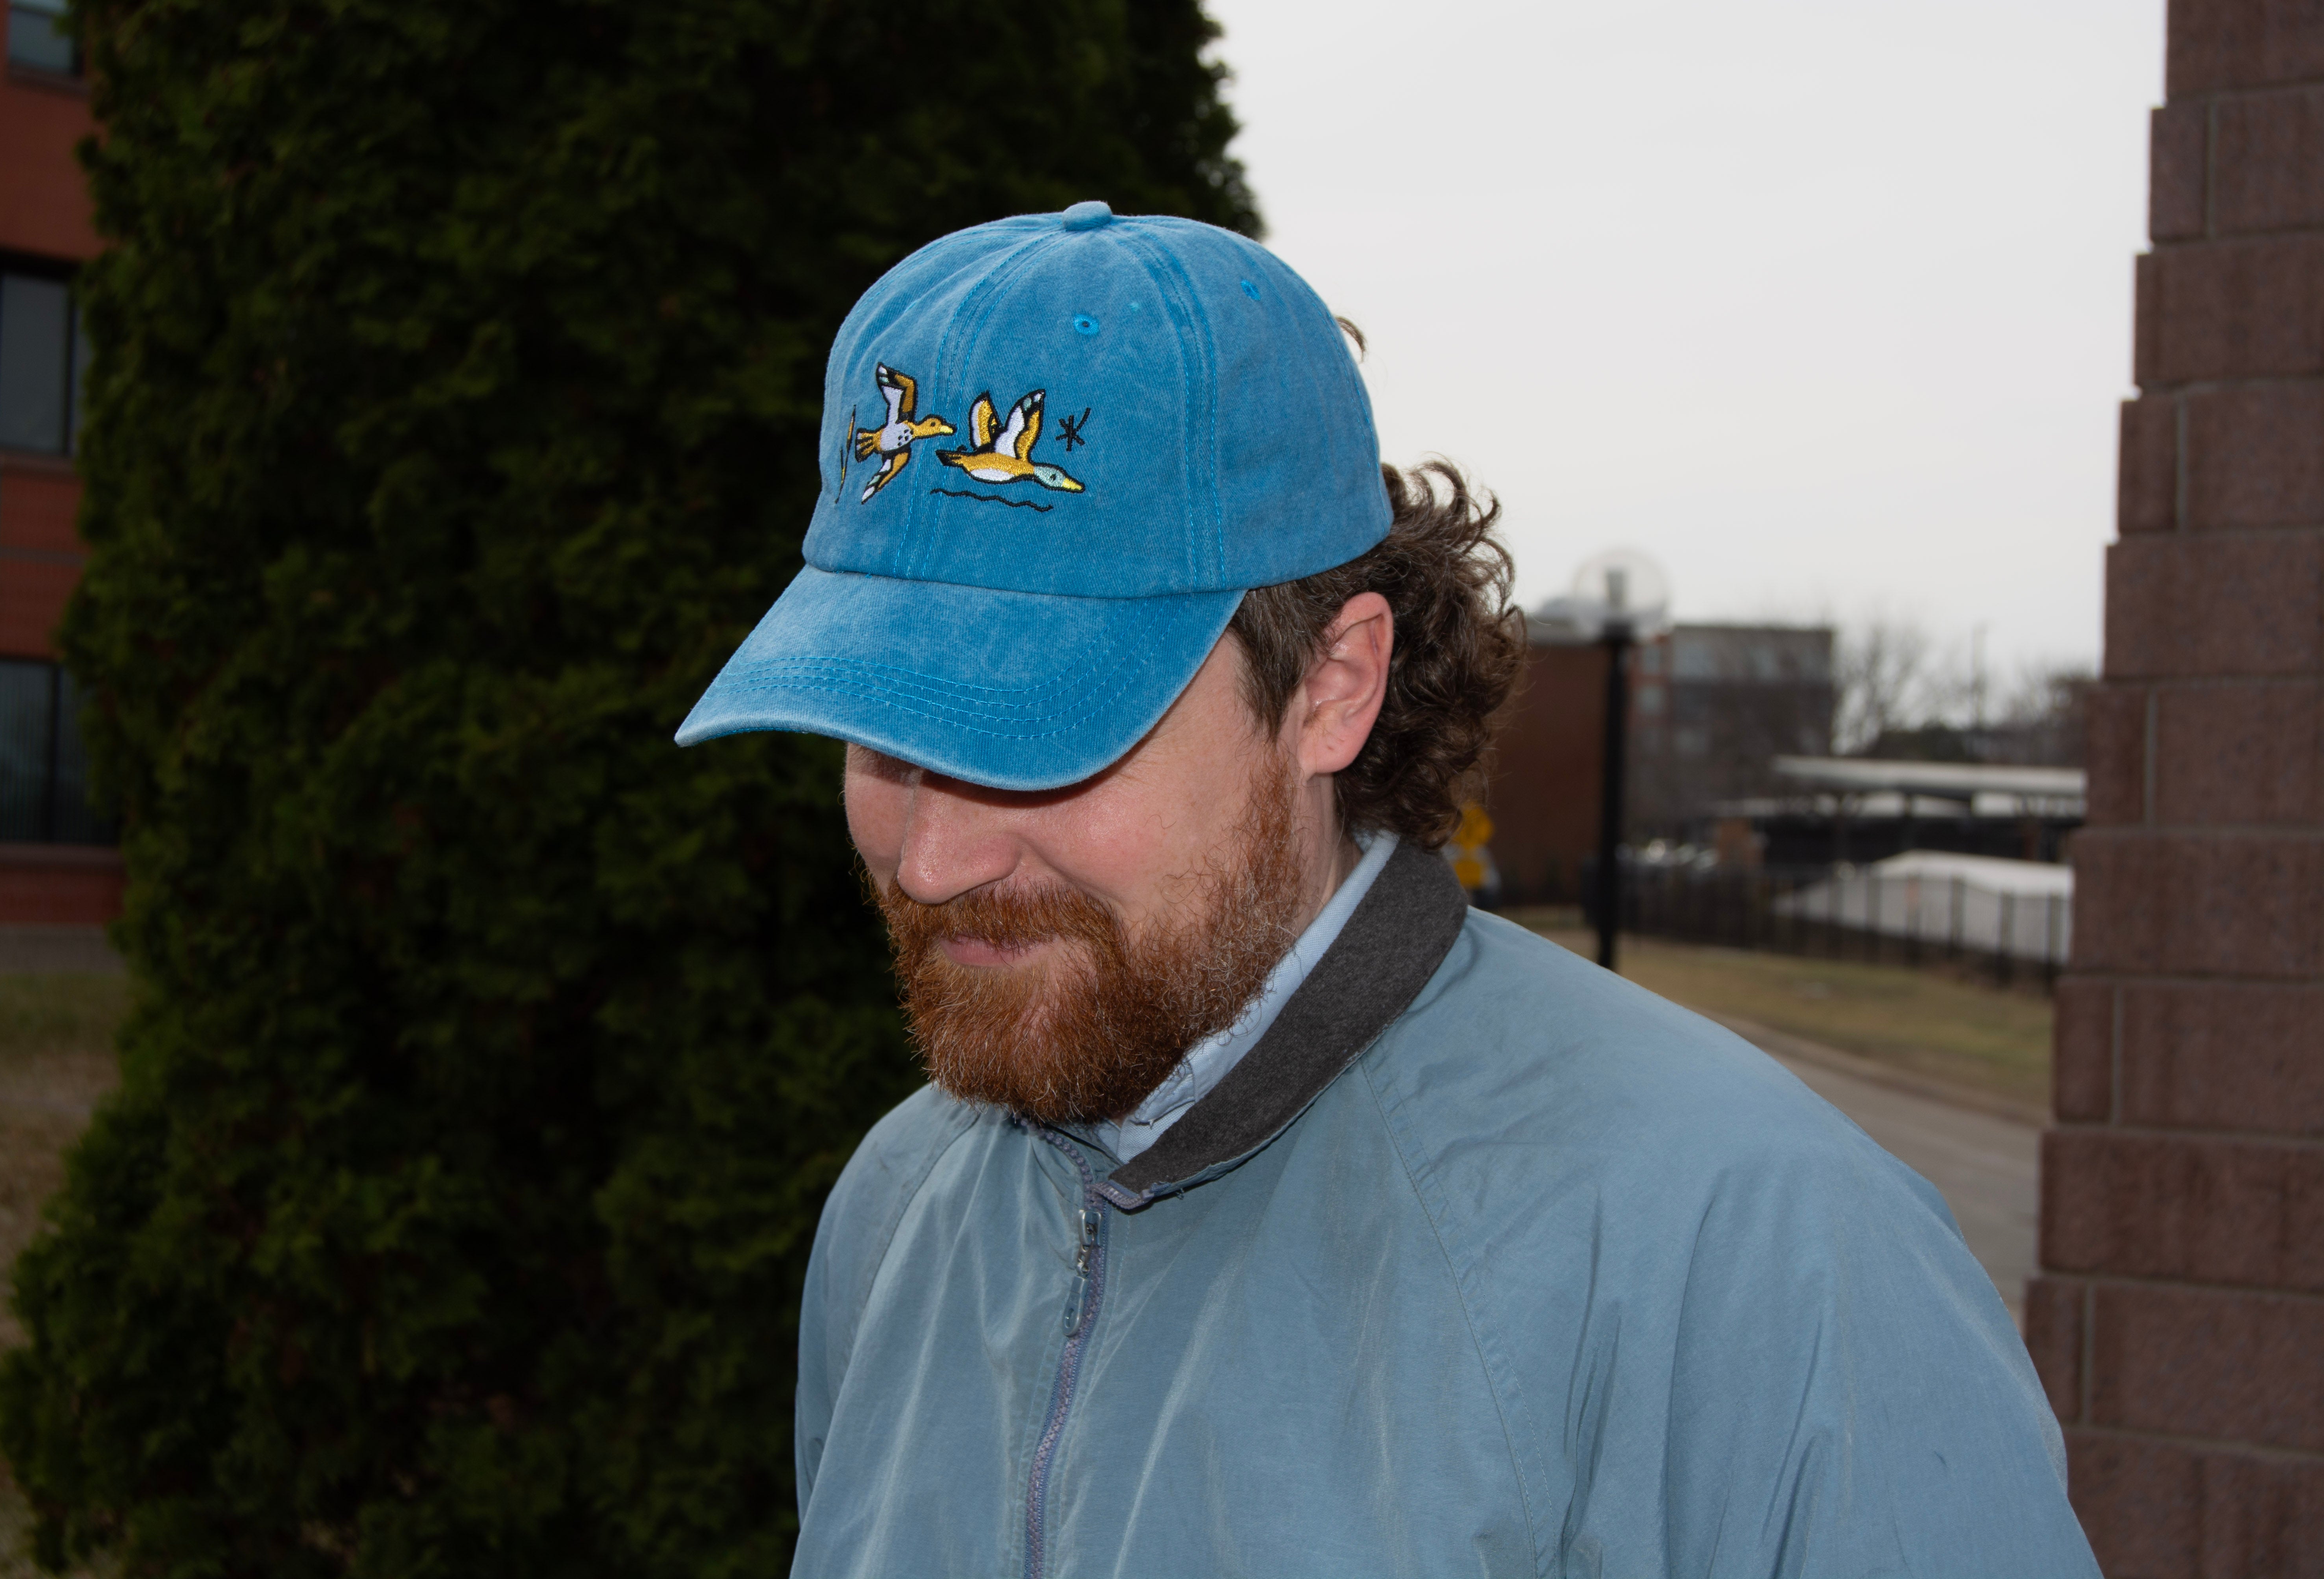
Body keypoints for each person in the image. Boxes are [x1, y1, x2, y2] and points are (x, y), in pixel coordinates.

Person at [676, 201, 2099, 1578]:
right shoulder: (901, 1206)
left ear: (1332, 687)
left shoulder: (1760, 1261)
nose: (930, 862)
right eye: (879, 736)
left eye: (1044, 736)